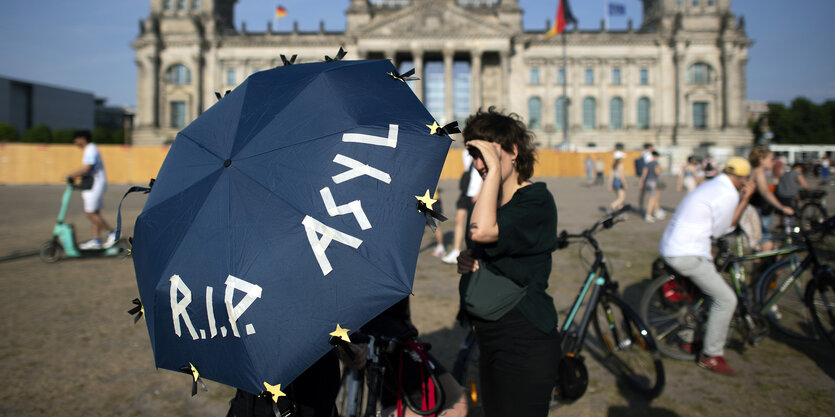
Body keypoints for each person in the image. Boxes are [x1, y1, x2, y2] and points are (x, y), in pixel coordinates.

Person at [456, 107, 560, 417]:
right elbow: (484, 243)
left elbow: (484, 231)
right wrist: (470, 261)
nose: (478, 164)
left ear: (513, 151)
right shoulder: (494, 199)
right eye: (473, 155)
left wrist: (490, 171)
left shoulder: (536, 200)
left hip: (524, 339)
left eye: (485, 154)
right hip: (491, 338)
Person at [659, 157, 756, 375]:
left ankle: (687, 339)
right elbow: (722, 230)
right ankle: (711, 355)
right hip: (686, 253)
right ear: (742, 179)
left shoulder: (711, 184)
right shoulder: (729, 193)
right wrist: (745, 200)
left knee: (701, 291)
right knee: (725, 299)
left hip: (673, 246)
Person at [65, 130, 116, 249]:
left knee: (90, 213)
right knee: (95, 213)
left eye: (76, 139)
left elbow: (88, 166)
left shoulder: (90, 148)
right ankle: (97, 240)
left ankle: (112, 234)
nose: (75, 141)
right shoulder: (91, 148)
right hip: (94, 184)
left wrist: (71, 175)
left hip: (95, 185)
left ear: (82, 138)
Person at [748, 146, 794, 251]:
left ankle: (761, 266)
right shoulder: (758, 172)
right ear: (761, 160)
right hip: (760, 214)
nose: (773, 162)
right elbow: (765, 192)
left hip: (760, 213)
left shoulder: (757, 172)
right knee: (766, 246)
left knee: (760, 248)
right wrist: (782, 208)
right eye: (771, 159)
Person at [442, 151, 482, 264]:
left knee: (475, 224)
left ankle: (475, 252)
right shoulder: (465, 153)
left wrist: (479, 192)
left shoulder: (482, 152)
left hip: (478, 193)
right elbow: (468, 172)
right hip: (466, 193)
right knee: (458, 219)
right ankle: (456, 251)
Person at [639, 151, 663, 222]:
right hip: (653, 182)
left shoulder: (647, 164)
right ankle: (648, 215)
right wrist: (660, 169)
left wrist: (641, 183)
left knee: (653, 198)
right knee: (652, 199)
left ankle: (656, 212)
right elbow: (657, 172)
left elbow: (644, 174)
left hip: (647, 182)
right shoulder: (656, 163)